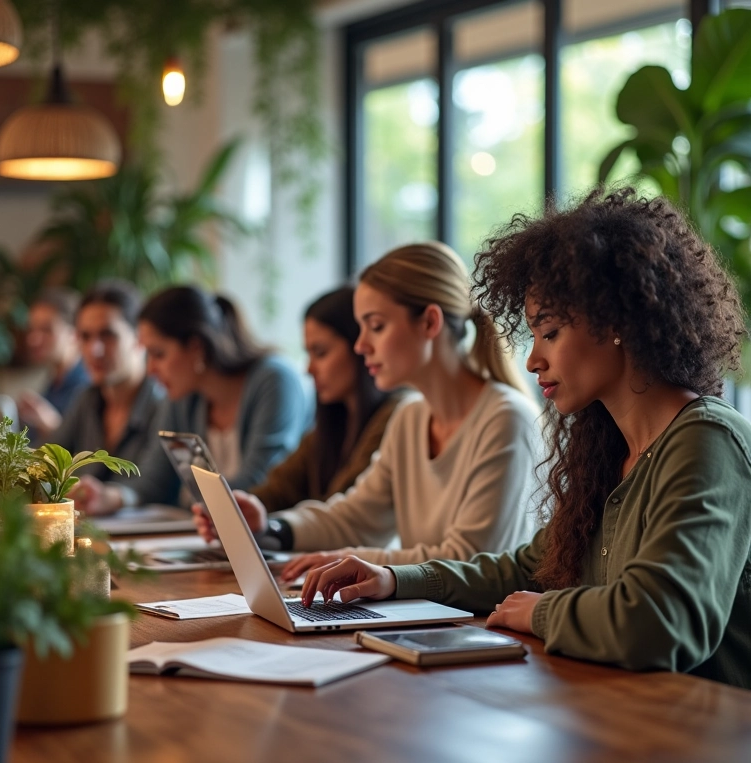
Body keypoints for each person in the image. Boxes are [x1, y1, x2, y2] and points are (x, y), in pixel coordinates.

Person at [300, 188, 751, 690]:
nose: (533, 359)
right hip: (625, 718)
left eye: (550, 332)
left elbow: (662, 624)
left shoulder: (707, 440)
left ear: (617, 320)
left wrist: (543, 613)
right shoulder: (606, 449)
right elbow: (530, 567)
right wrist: (394, 580)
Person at [211, 241, 542, 581]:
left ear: (429, 323)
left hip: (484, 627)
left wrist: (350, 558)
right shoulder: (411, 417)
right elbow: (354, 517)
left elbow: (469, 560)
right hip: (431, 620)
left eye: (377, 326)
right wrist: (273, 527)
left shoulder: (507, 419)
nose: (360, 345)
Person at [118, 285, 311, 509]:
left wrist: (204, 509)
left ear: (196, 347)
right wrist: (114, 496)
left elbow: (261, 482)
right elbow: (155, 478)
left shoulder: (274, 380)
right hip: (211, 533)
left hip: (273, 534)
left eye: (158, 354)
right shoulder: (182, 393)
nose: (150, 369)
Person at [247, 286, 402, 510]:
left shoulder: (397, 414)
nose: (309, 369)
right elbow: (278, 489)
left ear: (359, 348)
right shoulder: (334, 420)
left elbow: (342, 510)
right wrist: (240, 509)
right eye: (308, 354)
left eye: (320, 353)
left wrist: (278, 527)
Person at [52, 280, 166, 514]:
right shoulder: (86, 399)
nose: (95, 350)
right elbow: (49, 459)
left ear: (139, 338)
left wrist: (111, 497)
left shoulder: (164, 401)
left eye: (108, 335)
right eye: (85, 337)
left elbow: (153, 484)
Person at [17, 287, 90, 443]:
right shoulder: (54, 380)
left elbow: (87, 451)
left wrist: (51, 423)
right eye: (32, 329)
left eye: (46, 329)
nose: (33, 339)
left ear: (74, 333)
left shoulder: (88, 386)